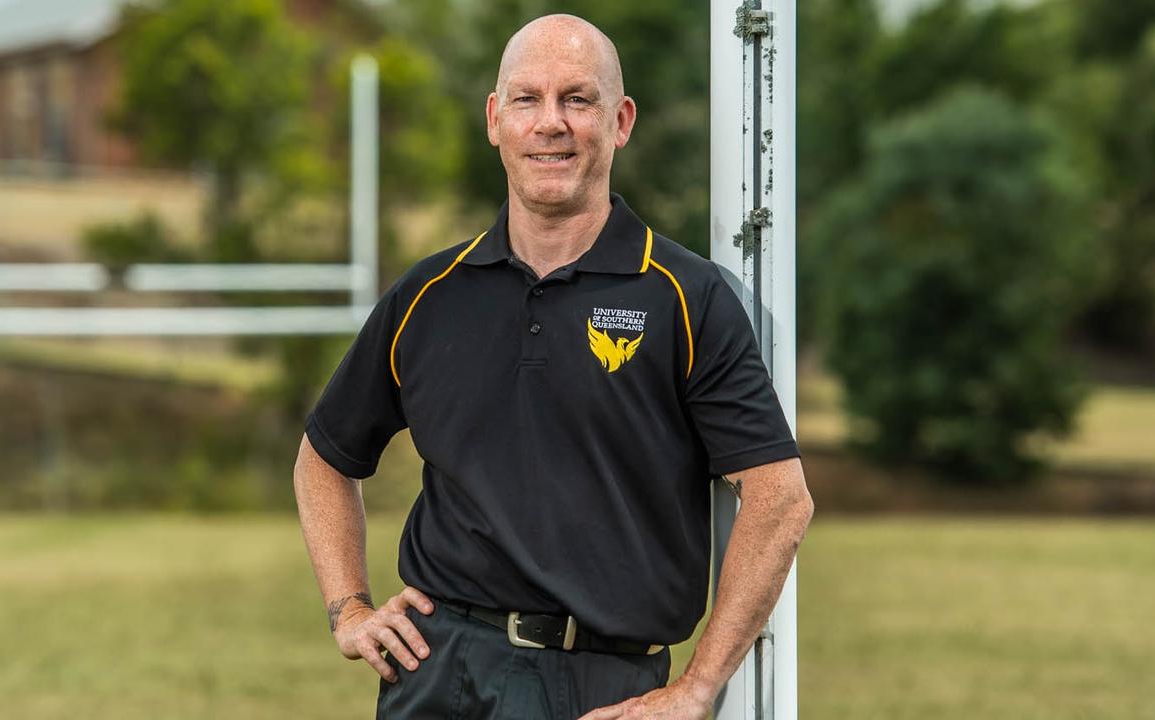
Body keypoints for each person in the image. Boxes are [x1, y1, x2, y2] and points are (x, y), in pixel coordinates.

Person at [294, 13, 813, 720]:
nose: (550, 123)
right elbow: (324, 458)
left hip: (604, 688)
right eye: (527, 99)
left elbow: (780, 499)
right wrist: (349, 607)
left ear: (621, 120)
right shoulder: (429, 295)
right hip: (437, 672)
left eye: (577, 99)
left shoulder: (685, 298)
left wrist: (696, 689)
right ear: (494, 119)